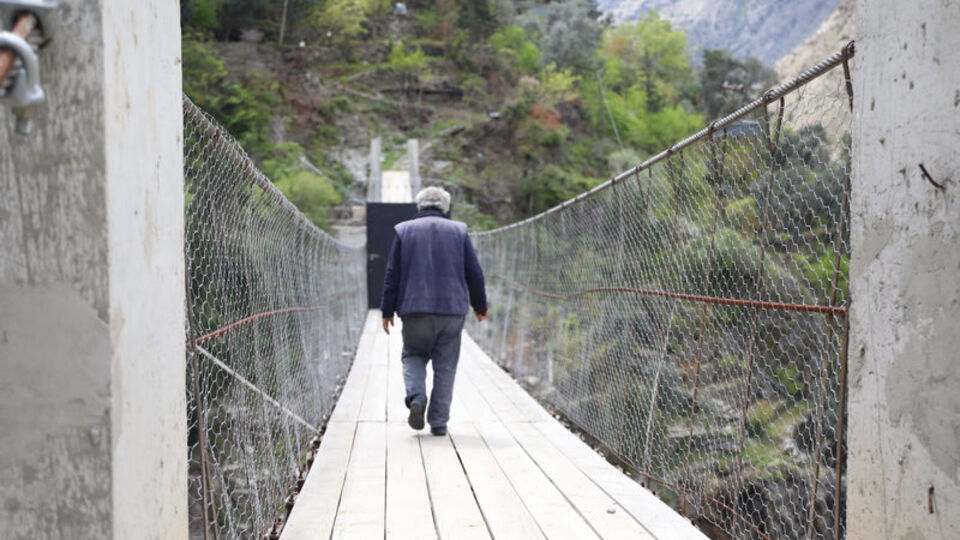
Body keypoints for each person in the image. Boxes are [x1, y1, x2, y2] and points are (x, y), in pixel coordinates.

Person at [380, 186, 488, 436]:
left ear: (418, 207)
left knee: (413, 355)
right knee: (446, 365)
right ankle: (438, 422)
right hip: (452, 310)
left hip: (414, 308)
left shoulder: (404, 230)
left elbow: (391, 275)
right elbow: (475, 273)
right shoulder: (459, 231)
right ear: (446, 207)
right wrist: (480, 306)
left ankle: (417, 397)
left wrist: (387, 310)